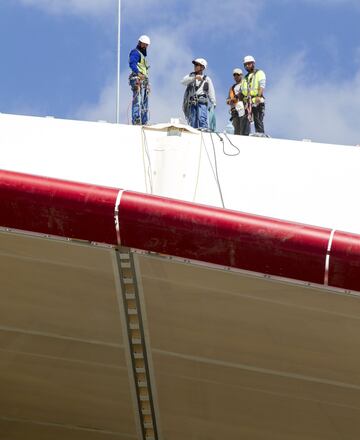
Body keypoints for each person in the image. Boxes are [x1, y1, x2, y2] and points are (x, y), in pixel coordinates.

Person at [181, 58, 216, 129]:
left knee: (202, 119)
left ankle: (204, 133)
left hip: (202, 101)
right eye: (195, 65)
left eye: (197, 65)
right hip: (192, 102)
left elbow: (211, 91)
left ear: (202, 67)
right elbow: (183, 81)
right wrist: (194, 78)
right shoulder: (191, 76)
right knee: (192, 121)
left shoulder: (207, 79)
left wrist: (213, 103)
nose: (195, 66)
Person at [240, 55, 266, 135]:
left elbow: (262, 85)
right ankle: (245, 135)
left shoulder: (259, 73)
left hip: (256, 100)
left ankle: (260, 134)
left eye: (249, 64)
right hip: (247, 102)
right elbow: (242, 91)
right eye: (246, 64)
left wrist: (259, 96)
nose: (247, 66)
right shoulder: (245, 78)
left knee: (257, 118)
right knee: (245, 120)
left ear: (253, 63)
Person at [128, 35, 151, 125]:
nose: (145, 47)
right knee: (138, 99)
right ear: (140, 43)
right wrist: (138, 73)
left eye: (146, 45)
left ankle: (144, 121)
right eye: (144, 45)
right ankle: (136, 119)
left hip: (144, 80)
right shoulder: (136, 53)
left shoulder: (142, 56)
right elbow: (132, 64)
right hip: (137, 79)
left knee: (144, 102)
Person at [226, 68, 248, 135]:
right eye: (234, 75)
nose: (236, 76)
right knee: (236, 130)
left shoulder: (244, 85)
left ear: (241, 75)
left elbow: (245, 94)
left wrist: (237, 97)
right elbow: (228, 99)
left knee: (244, 128)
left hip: (243, 110)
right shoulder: (232, 88)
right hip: (234, 111)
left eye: (238, 75)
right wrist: (229, 101)